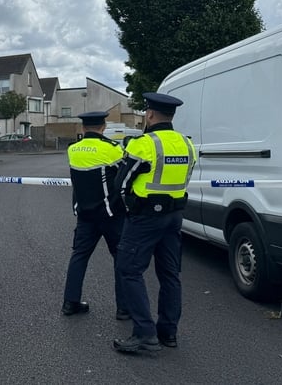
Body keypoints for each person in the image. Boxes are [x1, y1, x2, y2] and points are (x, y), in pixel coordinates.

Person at [112, 92, 196, 353]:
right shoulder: (187, 144)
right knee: (170, 274)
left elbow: (121, 183)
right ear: (172, 116)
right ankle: (168, 332)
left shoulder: (143, 144)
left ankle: (145, 333)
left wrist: (128, 208)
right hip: (174, 217)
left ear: (149, 114)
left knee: (129, 269)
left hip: (145, 217)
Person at [61, 111, 128, 320]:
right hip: (111, 214)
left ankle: (70, 303)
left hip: (85, 215)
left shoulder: (73, 150)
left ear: (83, 128)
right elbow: (124, 177)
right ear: (103, 127)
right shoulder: (114, 150)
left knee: (79, 256)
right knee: (120, 258)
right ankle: (123, 308)